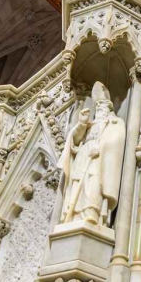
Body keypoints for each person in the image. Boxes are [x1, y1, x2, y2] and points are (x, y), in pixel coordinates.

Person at [57, 81, 126, 228]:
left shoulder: (115, 122)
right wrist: (81, 124)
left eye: (102, 106)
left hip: (99, 159)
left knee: (94, 184)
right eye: (97, 106)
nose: (99, 108)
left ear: (109, 107)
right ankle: (74, 215)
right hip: (83, 157)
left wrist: (101, 148)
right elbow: (74, 141)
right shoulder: (90, 124)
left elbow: (117, 141)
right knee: (77, 185)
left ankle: (91, 214)